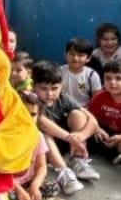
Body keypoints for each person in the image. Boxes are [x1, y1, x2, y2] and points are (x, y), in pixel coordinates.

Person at [31, 60, 101, 188]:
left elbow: (92, 121)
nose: (49, 94)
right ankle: (64, 172)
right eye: (43, 88)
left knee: (77, 114)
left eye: (54, 88)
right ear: (33, 86)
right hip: (41, 148)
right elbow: (42, 122)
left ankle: (78, 160)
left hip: (65, 142)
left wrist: (79, 138)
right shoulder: (31, 100)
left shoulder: (63, 97)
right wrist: (71, 138)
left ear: (61, 86)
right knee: (43, 134)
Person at [10, 91, 73, 200]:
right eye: (22, 112)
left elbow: (42, 166)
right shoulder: (5, 137)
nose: (27, 118)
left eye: (33, 114)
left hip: (27, 182)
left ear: (38, 116)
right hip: (8, 183)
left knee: (52, 187)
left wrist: (34, 186)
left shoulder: (37, 136)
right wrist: (20, 191)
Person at [60, 37, 101, 105]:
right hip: (62, 107)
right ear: (65, 55)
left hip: (84, 108)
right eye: (72, 54)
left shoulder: (92, 75)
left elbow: (96, 98)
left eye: (80, 55)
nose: (75, 58)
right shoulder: (59, 72)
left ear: (88, 58)